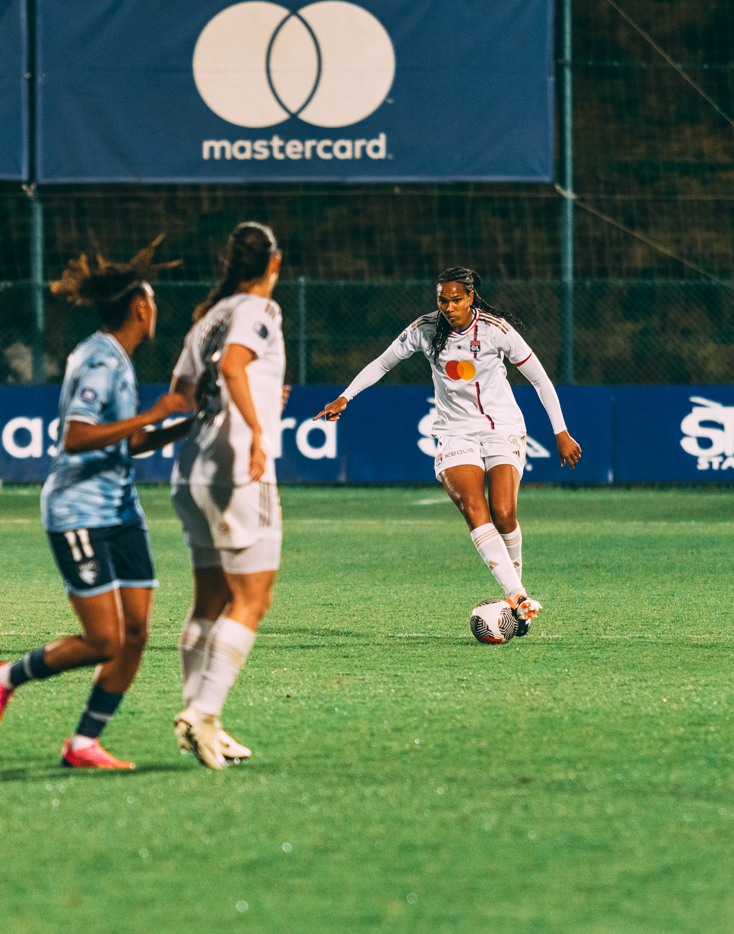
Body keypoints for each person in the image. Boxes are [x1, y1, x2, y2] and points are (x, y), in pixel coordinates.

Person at [0, 239, 192, 768]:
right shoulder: (98, 358)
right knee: (105, 639)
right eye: (154, 302)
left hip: (120, 511)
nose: (156, 309)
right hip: (79, 513)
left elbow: (125, 444)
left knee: (136, 634)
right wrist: (154, 412)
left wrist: (185, 424)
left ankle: (84, 742)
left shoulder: (116, 357)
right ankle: (4, 677)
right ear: (142, 307)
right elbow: (76, 437)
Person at [314, 267, 579, 639]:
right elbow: (383, 362)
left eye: (456, 300)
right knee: (474, 506)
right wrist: (346, 396)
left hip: (503, 427)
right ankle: (517, 597)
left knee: (504, 513)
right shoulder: (424, 330)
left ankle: (515, 590)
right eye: (443, 300)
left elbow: (539, 379)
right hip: (455, 433)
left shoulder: (496, 330)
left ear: (470, 297)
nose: (449, 307)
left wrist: (561, 432)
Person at [167, 221, 286, 769]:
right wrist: (258, 432)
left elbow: (183, 394)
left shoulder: (206, 318)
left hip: (190, 467)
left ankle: (198, 720)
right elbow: (235, 365)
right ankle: (204, 713)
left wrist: (261, 400)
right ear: (273, 264)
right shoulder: (259, 311)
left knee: (210, 601)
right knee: (252, 599)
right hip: (236, 468)